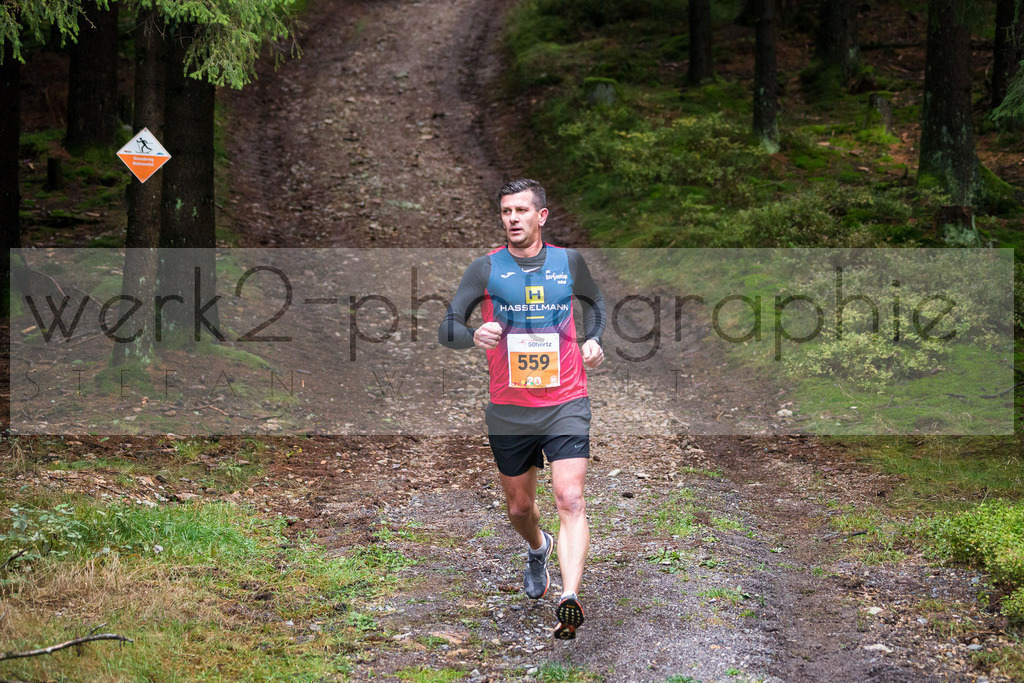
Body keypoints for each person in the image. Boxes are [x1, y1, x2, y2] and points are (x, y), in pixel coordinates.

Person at [438, 179, 606, 640]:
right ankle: (538, 546)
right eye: (506, 212)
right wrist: (471, 335)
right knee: (520, 507)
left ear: (541, 216)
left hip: (566, 401)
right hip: (509, 409)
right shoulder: (485, 269)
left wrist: (593, 340)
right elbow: (446, 326)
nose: (512, 218)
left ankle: (569, 596)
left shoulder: (568, 262)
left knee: (570, 498)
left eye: (521, 211)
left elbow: (596, 305)